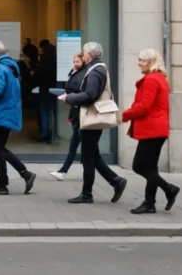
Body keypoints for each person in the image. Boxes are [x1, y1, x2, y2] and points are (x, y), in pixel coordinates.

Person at [58, 42, 128, 205]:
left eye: (84, 53)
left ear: (90, 55)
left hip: (92, 118)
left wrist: (69, 98)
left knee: (88, 157)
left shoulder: (96, 70)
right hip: (91, 117)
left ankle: (87, 193)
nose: (83, 55)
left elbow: (90, 94)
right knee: (92, 154)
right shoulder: (96, 68)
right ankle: (115, 181)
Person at [122, 49, 180, 214]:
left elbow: (144, 106)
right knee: (149, 166)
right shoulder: (159, 78)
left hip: (152, 128)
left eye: (142, 60)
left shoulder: (152, 80)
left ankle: (160, 195)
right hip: (156, 128)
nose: (139, 63)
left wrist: (124, 115)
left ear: (152, 62)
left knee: (140, 166)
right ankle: (155, 199)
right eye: (139, 60)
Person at [0, 41, 37, 196]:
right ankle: (4, 183)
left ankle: (23, 174)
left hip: (0, 113)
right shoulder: (10, 67)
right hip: (8, 111)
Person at [51, 52, 86, 181]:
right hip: (75, 112)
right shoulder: (74, 73)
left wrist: (68, 96)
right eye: (74, 61)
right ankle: (63, 171)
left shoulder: (83, 75)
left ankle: (112, 178)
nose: (75, 64)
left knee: (87, 148)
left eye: (77, 62)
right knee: (75, 144)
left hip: (80, 114)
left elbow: (78, 91)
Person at [36, 39, 58, 142]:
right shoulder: (56, 57)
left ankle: (45, 133)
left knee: (44, 110)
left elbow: (40, 72)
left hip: (45, 87)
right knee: (55, 110)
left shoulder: (44, 58)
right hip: (56, 86)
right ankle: (54, 132)